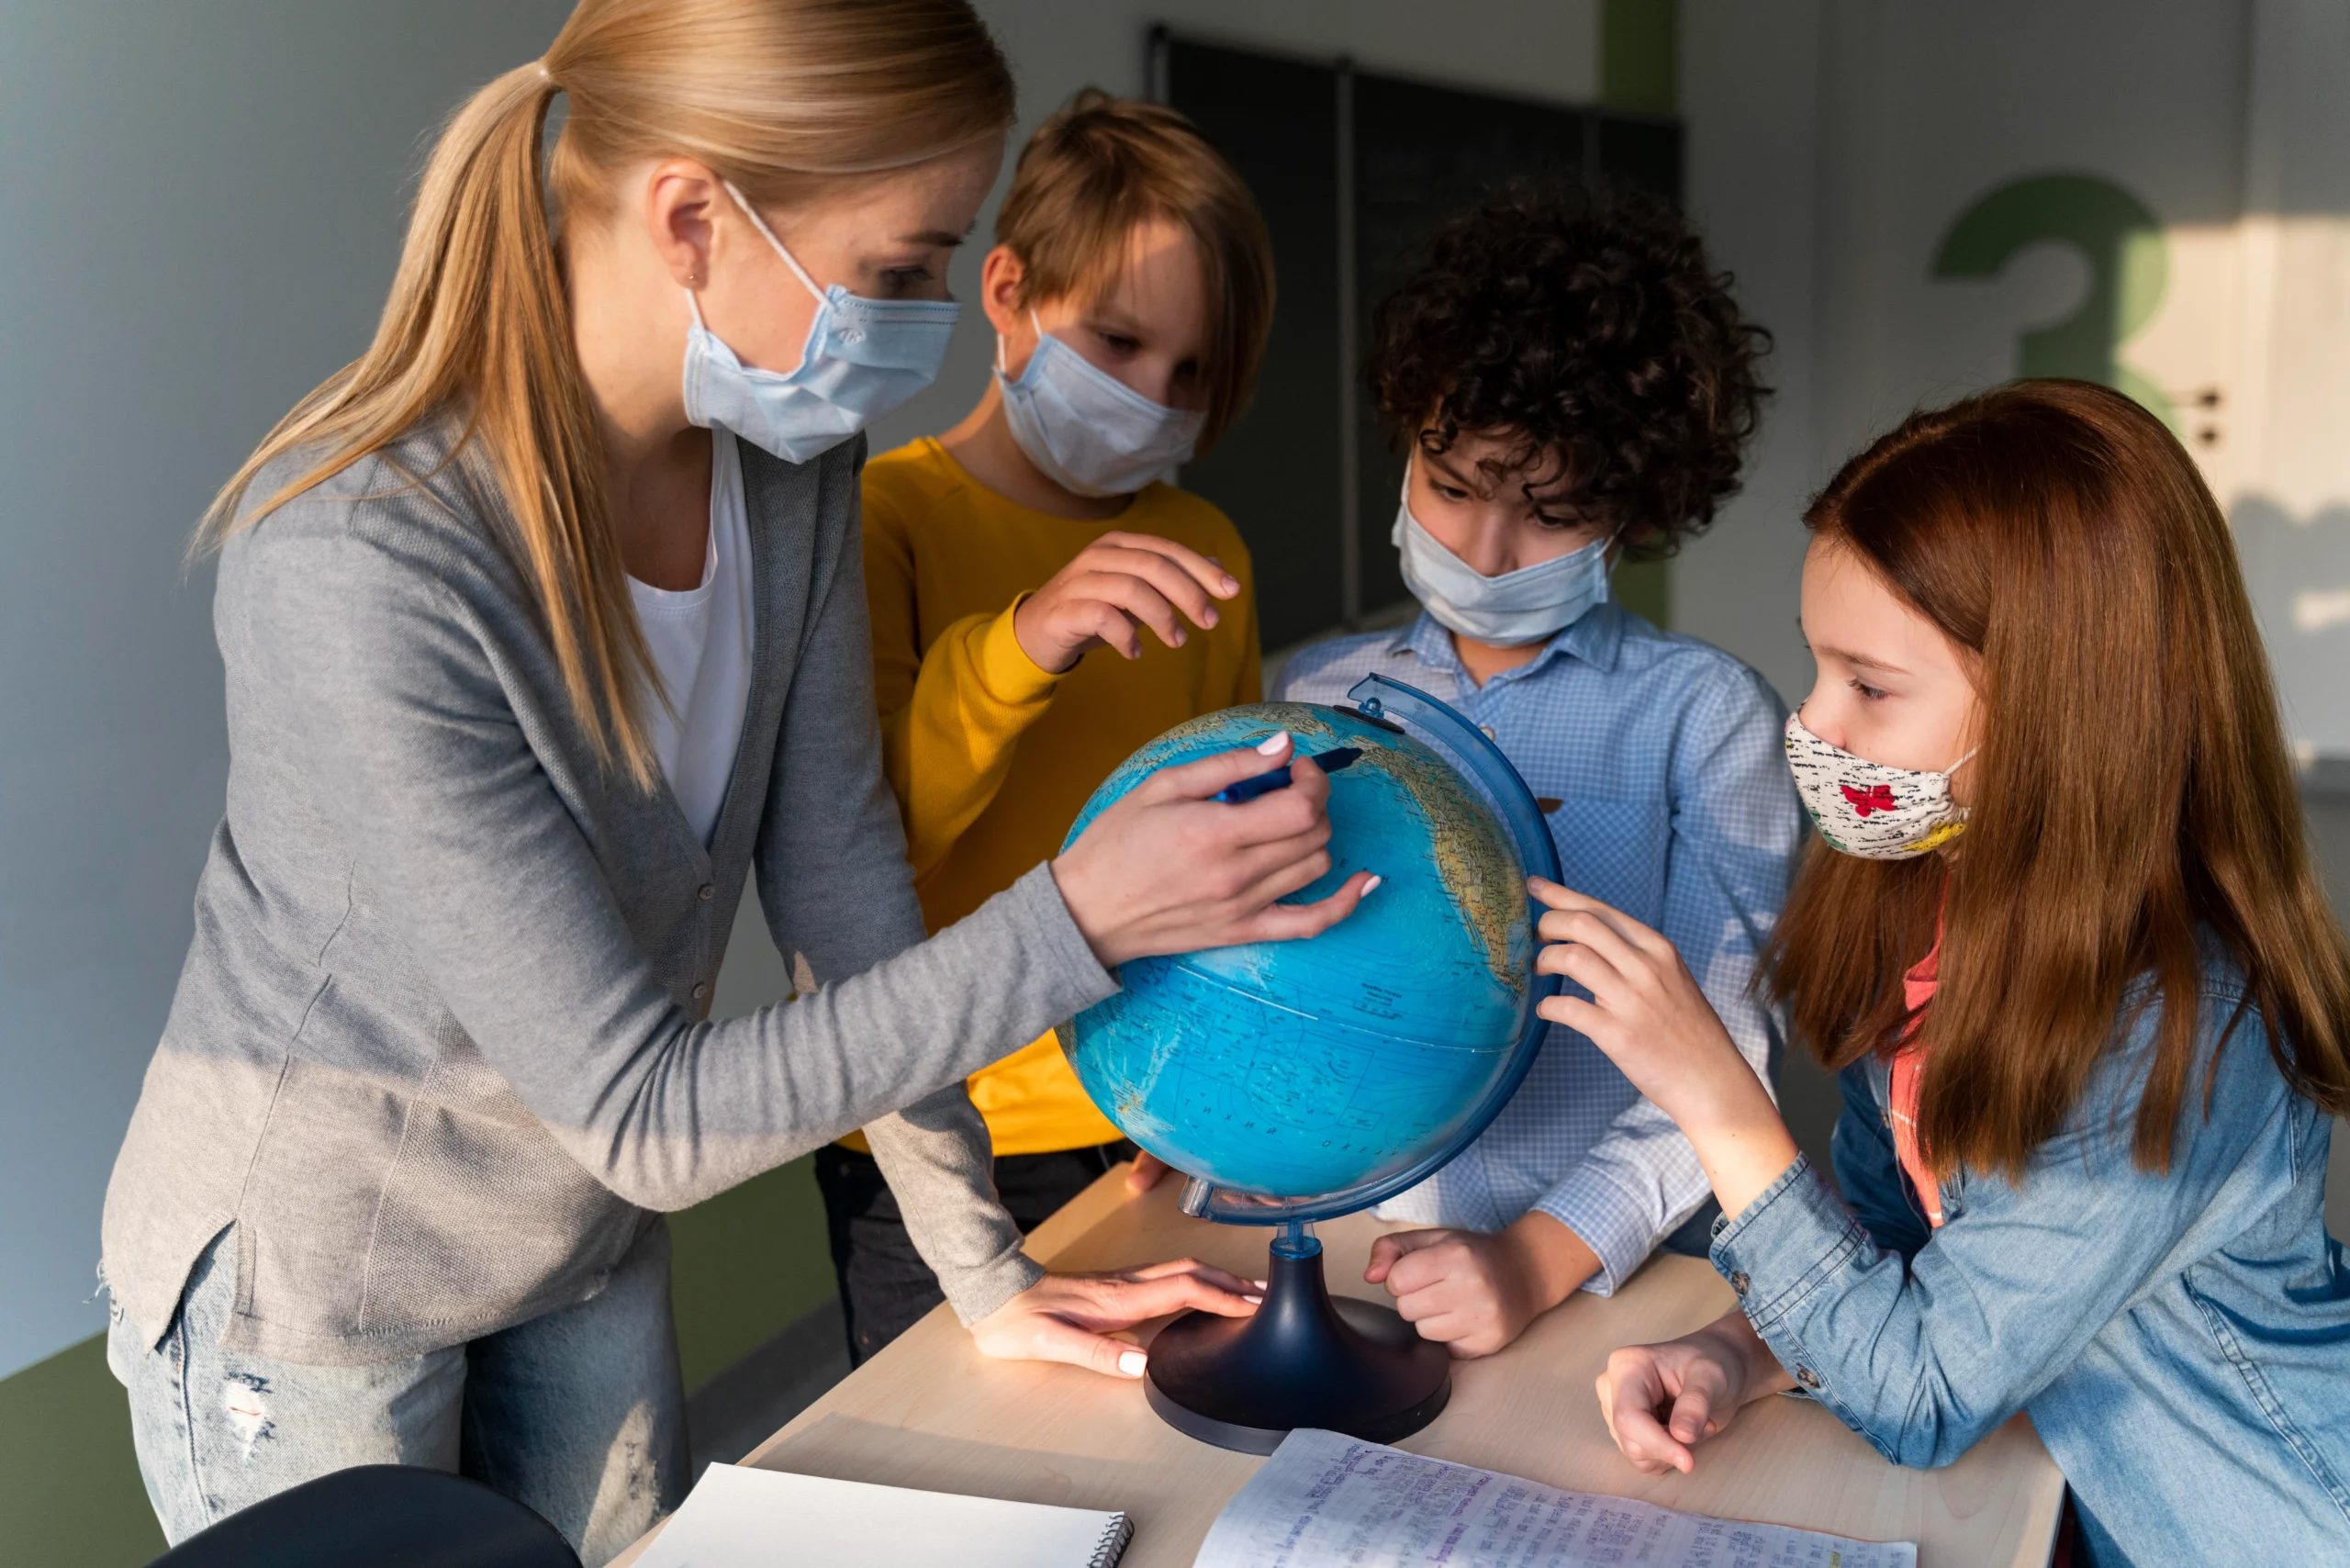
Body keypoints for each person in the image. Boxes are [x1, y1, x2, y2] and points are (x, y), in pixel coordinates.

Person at [96, 5, 1369, 1560]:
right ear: (694, 216)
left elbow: (843, 878)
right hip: (318, 1279)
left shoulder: (789, 468)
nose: (924, 325)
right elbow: (644, 1107)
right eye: (901, 271)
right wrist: (1082, 918)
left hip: (574, 1237)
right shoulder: (364, 565)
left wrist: (988, 1270)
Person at [1555, 381, 2350, 1565]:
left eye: (1870, 686)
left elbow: (1921, 1394)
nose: (1813, 726)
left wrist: (1716, 1102)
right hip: (2070, 1494)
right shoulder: (1928, 894)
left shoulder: (2178, 1027)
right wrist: (1739, 1350)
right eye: (1816, 667)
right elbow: (1902, 1247)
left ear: (2056, 714)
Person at [1270, 185, 1803, 1358]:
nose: (1484, 551)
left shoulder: (1702, 717)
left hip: (1613, 1285)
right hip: (1355, 1247)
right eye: (1451, 486)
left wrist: (1540, 1253)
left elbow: (1727, 1053)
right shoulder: (1322, 693)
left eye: (1549, 511)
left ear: (1635, 508)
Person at [824, 90, 1274, 1362]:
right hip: (939, 1140)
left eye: (1191, 373)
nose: (1152, 398)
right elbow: (863, 851)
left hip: (1160, 1121)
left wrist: (1208, 1097)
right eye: (1120, 342)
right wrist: (1020, 646)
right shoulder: (887, 521)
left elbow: (1222, 848)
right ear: (1008, 290)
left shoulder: (1203, 543)